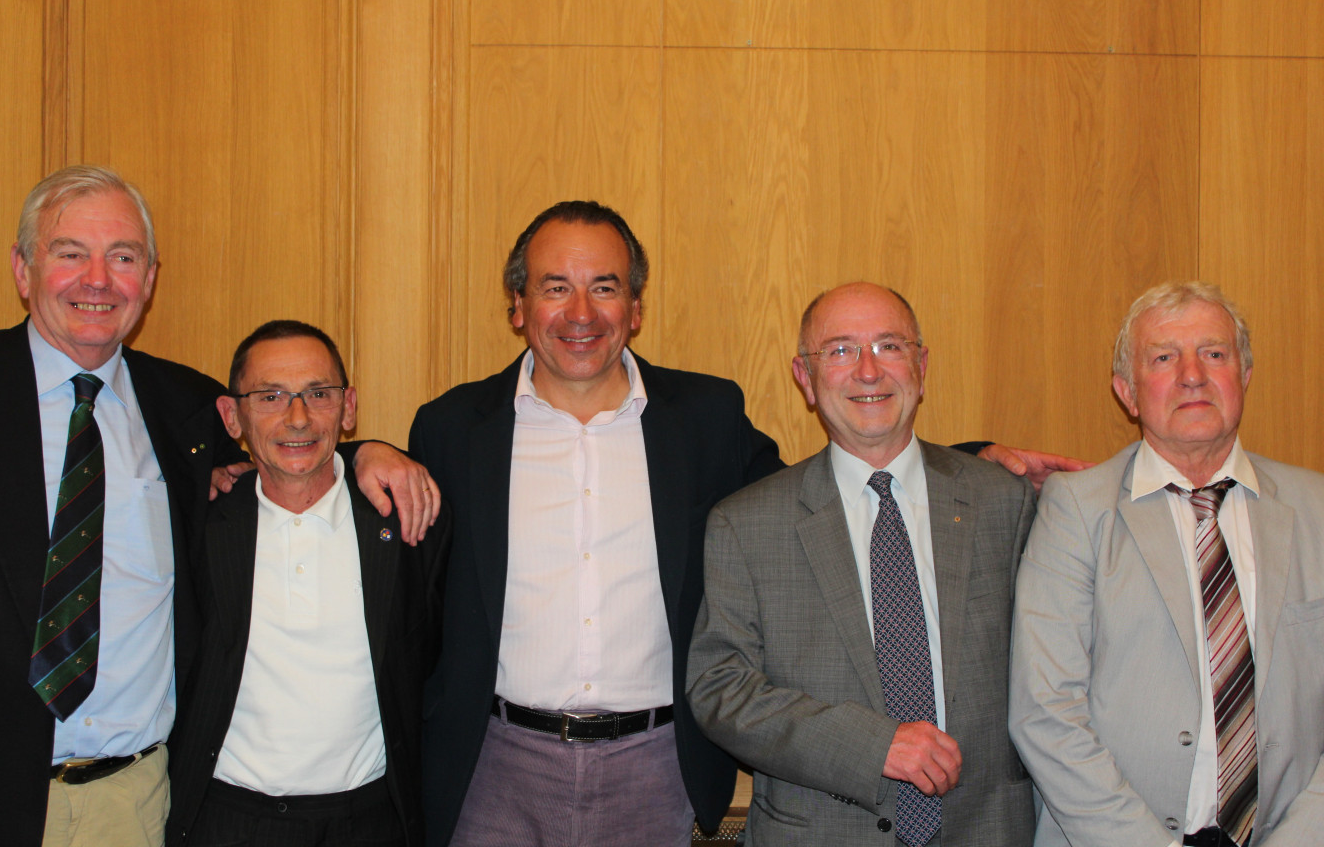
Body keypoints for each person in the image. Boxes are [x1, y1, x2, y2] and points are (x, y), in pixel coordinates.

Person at [410, 202, 1067, 846]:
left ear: (635, 310)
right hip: (495, 768)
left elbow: (833, 488)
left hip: (654, 768)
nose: (581, 313)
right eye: (556, 287)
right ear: (518, 305)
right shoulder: (451, 428)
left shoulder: (704, 418)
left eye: (604, 287)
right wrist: (360, 453)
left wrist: (974, 461)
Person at [0, 166, 436, 847]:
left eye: (122, 257)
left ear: (148, 279)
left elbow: (290, 438)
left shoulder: (183, 410)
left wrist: (367, 452)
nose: (97, 280)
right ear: (22, 268)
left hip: (133, 799)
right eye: (70, 254)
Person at [686, 282, 1036, 846]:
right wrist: (874, 746)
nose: (868, 372)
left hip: (987, 829)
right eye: (841, 350)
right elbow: (720, 688)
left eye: (889, 346)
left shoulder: (1005, 502)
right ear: (805, 376)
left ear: (921, 366)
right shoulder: (745, 524)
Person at [1009, 281, 1324, 847]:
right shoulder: (1076, 510)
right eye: (1163, 358)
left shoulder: (1317, 510)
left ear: (1244, 376)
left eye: (1214, 353)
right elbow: (1045, 713)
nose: (1192, 375)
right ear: (1127, 392)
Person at [165, 321, 449, 846]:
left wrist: (370, 449)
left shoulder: (409, 519)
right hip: (226, 818)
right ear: (233, 417)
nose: (297, 417)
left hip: (371, 819)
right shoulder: (196, 525)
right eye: (270, 396)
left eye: (318, 394)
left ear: (348, 408)